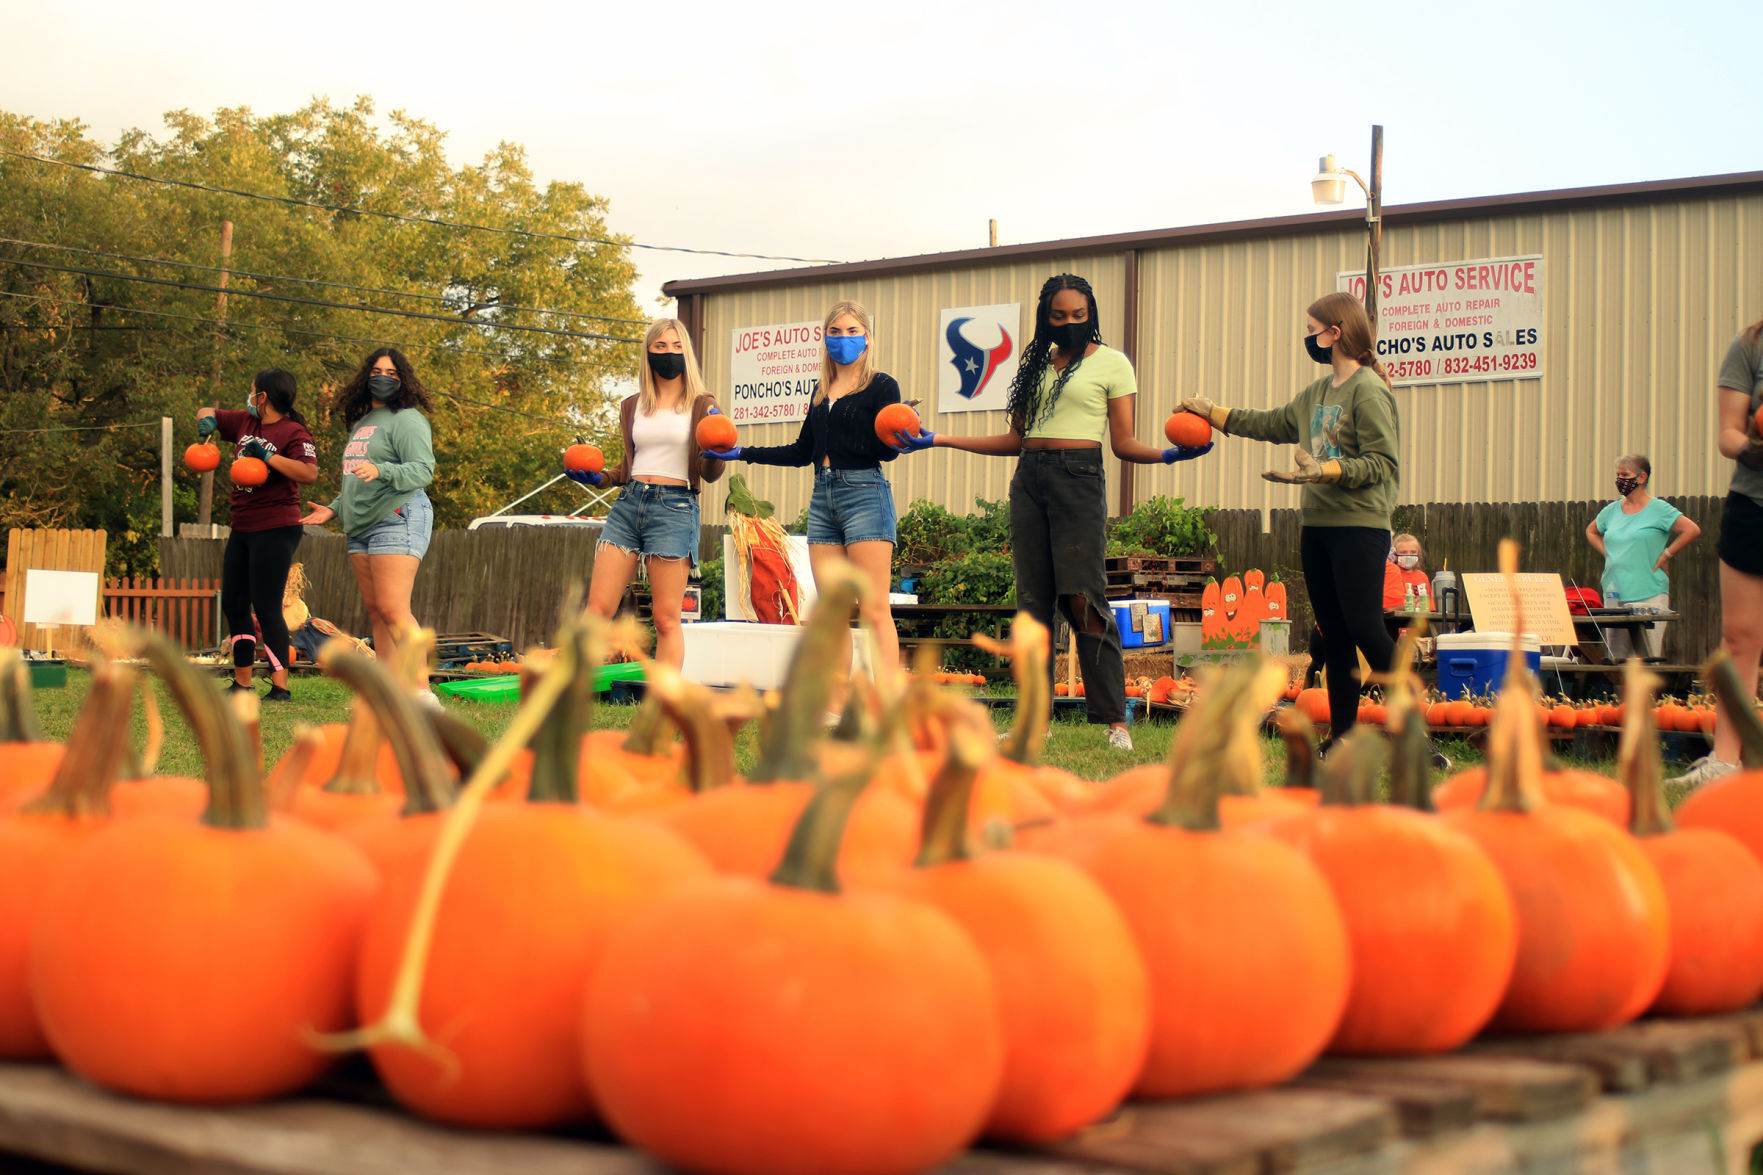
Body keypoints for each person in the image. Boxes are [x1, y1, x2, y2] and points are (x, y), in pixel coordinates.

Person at [887, 273, 1211, 752]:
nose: (1070, 323)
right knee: (1032, 606)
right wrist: (940, 438)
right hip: (1030, 479)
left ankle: (1113, 721)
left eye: (1078, 315)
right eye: (1059, 316)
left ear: (1091, 314)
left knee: (1083, 599)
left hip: (1079, 478)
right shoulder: (1035, 364)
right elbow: (1014, 441)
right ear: (1046, 318)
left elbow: (1122, 443)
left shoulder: (1114, 364)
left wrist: (1166, 455)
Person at [1176, 291, 1399, 748]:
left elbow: (1383, 464)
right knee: (1334, 635)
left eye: (1313, 330)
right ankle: (1342, 738)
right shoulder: (1316, 393)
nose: (1309, 338)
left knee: (1365, 628)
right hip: (1317, 527)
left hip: (1360, 526)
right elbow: (1272, 423)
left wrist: (1328, 469)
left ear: (1335, 333)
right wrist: (1213, 413)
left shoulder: (1370, 392)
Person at [701, 300, 901, 695]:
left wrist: (900, 435)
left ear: (867, 338)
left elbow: (887, 449)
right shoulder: (820, 391)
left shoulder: (882, 385)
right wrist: (741, 453)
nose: (843, 339)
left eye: (852, 331)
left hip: (865, 492)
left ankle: (891, 705)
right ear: (825, 339)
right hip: (823, 497)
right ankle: (838, 704)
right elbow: (799, 452)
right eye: (835, 332)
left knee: (875, 608)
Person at [577, 318, 725, 669]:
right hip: (629, 504)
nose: (668, 353)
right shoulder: (632, 405)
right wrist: (596, 478)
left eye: (676, 347)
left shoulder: (703, 405)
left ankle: (666, 703)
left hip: (675, 508)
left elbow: (710, 472)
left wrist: (716, 453)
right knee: (597, 608)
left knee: (665, 618)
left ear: (686, 353)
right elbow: (627, 466)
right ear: (648, 352)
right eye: (660, 347)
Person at [299, 347, 438, 703]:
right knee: (377, 612)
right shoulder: (364, 424)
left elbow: (423, 470)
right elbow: (358, 479)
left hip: (398, 515)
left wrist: (383, 470)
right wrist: (333, 509)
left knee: (394, 609)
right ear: (365, 377)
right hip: (360, 525)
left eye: (392, 373)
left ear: (403, 380)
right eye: (377, 371)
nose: (383, 378)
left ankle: (422, 696)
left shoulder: (407, 420)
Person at [1670, 319, 1763, 788]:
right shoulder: (1750, 346)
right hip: (1755, 507)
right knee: (1741, 638)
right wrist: (1752, 447)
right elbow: (1728, 432)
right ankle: (1726, 763)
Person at [196, 369, 318, 701]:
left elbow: (309, 472)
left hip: (277, 526)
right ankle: (242, 683)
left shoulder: (294, 431)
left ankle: (280, 688)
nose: (249, 395)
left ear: (263, 396)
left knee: (266, 606)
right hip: (243, 526)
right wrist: (206, 423)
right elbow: (207, 411)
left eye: (252, 390)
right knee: (235, 604)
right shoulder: (244, 423)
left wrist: (269, 457)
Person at [1584, 454, 1700, 661]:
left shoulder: (1659, 509)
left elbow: (1691, 530)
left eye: (1625, 475)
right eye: (1618, 475)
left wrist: (1666, 554)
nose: (1620, 480)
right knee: (1617, 659)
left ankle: (1648, 695)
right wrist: (1608, 553)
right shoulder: (1611, 511)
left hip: (1649, 592)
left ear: (1642, 477)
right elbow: (1591, 531)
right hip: (1614, 592)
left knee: (1646, 658)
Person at [1382, 533, 1431, 610]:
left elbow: (1430, 606)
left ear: (1419, 554)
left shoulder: (1422, 576)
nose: (1409, 555)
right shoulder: (1392, 574)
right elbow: (1390, 606)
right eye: (1404, 552)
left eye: (1413, 552)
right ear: (1395, 553)